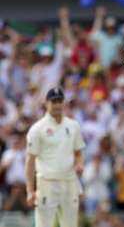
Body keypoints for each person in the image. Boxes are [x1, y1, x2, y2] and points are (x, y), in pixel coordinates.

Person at [24, 87, 85, 227]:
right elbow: (30, 162)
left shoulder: (73, 126)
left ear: (64, 103)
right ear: (46, 103)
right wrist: (29, 190)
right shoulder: (37, 129)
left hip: (69, 182)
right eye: (54, 102)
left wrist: (79, 164)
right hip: (47, 183)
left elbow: (79, 154)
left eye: (60, 101)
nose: (57, 105)